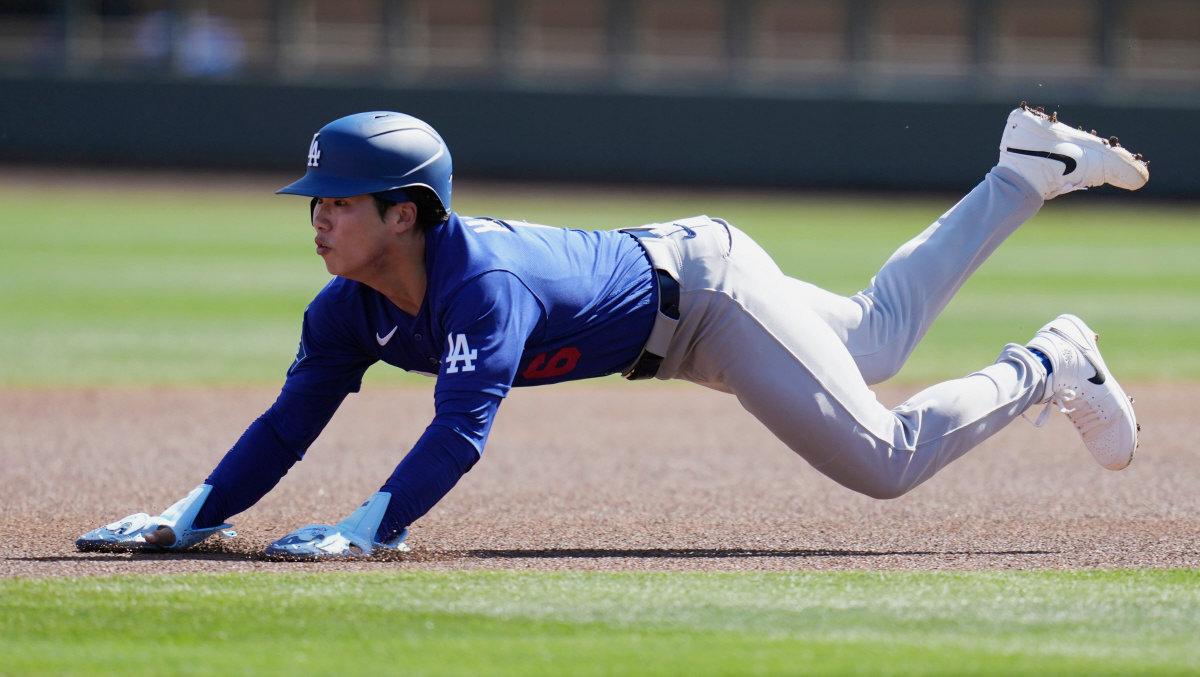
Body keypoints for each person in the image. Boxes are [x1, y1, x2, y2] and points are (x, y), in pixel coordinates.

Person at [78, 104, 1150, 559]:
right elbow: (288, 422)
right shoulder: (346, 309)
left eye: (339, 200)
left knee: (883, 458)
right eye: (315, 198)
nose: (318, 214)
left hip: (707, 304)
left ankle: (1048, 358)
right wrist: (189, 515)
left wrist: (367, 530)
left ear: (404, 210)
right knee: (875, 332)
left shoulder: (477, 285)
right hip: (682, 282)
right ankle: (1026, 170)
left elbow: (459, 432)